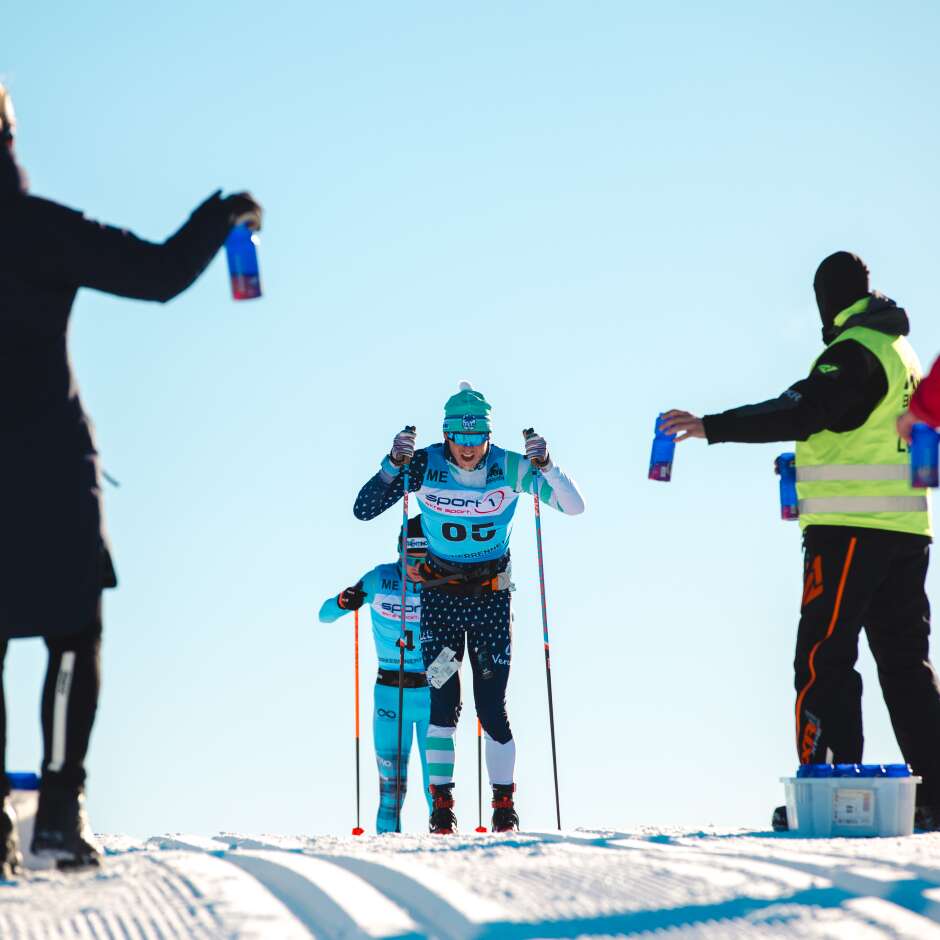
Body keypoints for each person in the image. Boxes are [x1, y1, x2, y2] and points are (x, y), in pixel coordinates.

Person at [0, 82, 263, 874]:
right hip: (46, 470)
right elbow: (156, 272)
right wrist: (223, 216)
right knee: (71, 632)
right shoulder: (39, 230)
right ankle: (54, 812)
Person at [662, 251, 940, 830]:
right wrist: (807, 462)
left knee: (822, 655)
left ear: (828, 298)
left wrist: (711, 426)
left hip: (850, 531)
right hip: (906, 529)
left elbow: (804, 410)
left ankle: (832, 793)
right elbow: (852, 429)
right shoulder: (899, 349)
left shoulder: (853, 350)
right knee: (906, 665)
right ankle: (936, 794)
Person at [353, 383, 584, 833]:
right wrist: (392, 465)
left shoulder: (509, 466)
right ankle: (442, 807)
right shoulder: (425, 463)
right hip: (439, 602)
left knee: (492, 705)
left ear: (487, 437)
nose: (468, 450)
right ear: (446, 435)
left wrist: (548, 467)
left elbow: (574, 507)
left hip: (491, 599)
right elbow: (364, 509)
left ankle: (503, 805)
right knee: (444, 703)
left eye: (477, 440)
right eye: (459, 439)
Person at [318, 517, 433, 833]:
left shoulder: (442, 582)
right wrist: (345, 600)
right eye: (411, 559)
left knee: (437, 793)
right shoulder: (379, 580)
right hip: (389, 694)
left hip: (431, 694)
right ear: (400, 550)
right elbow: (325, 614)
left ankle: (446, 861)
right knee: (392, 793)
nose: (417, 568)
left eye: (424, 560)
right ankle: (386, 860)